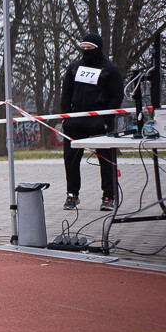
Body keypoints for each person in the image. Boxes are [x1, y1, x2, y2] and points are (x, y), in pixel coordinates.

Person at [61, 33, 124, 211]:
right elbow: (66, 93)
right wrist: (66, 117)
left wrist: (106, 120)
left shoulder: (110, 70)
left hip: (99, 121)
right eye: (84, 49)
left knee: (106, 160)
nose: (86, 52)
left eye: (90, 49)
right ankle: (72, 195)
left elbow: (116, 97)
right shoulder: (74, 68)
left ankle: (108, 196)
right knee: (70, 160)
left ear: (98, 49)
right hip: (74, 121)